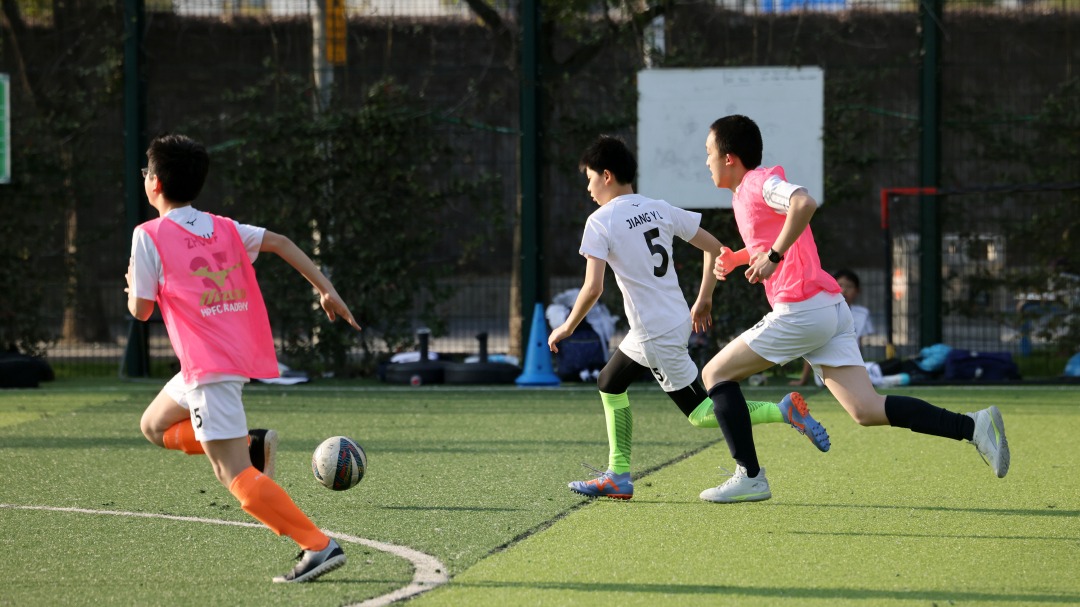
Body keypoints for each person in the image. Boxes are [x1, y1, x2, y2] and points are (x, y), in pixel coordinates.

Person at [697, 115, 1010, 504]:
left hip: (802, 310)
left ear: (729, 157)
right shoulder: (744, 194)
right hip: (828, 308)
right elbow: (773, 239)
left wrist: (773, 257)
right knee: (866, 409)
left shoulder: (759, 182)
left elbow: (804, 203)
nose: (706, 161)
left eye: (708, 153)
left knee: (715, 373)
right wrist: (741, 258)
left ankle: (750, 475)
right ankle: (974, 427)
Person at [125, 133, 361, 582]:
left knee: (232, 475)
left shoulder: (147, 235)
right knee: (154, 425)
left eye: (146, 172)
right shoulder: (223, 227)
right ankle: (250, 444)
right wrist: (326, 289)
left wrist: (132, 282)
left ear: (155, 183)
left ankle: (317, 545)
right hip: (218, 361)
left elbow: (141, 311)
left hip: (208, 370)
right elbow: (282, 242)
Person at [548, 135, 830, 501]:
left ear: (606, 175)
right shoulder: (658, 208)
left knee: (700, 413)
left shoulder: (600, 221)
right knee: (609, 382)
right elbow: (716, 249)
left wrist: (567, 326)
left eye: (589, 179)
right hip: (671, 318)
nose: (588, 188)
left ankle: (782, 411)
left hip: (654, 331)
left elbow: (593, 288)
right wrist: (704, 298)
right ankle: (617, 475)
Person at [791, 268, 873, 386]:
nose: (844, 290)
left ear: (857, 291)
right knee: (875, 371)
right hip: (828, 369)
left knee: (880, 368)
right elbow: (812, 346)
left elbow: (859, 344)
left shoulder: (863, 313)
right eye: (840, 285)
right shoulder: (823, 313)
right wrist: (803, 380)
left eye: (849, 286)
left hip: (852, 366)